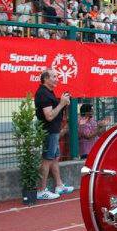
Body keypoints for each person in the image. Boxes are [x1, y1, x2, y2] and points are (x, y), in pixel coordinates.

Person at [34, 69, 74, 201]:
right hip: (49, 131)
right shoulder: (42, 94)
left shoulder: (49, 92)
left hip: (54, 131)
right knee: (47, 159)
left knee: (55, 158)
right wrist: (61, 103)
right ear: (45, 79)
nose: (57, 79)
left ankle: (59, 185)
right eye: (54, 77)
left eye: (57, 76)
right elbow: (49, 116)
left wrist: (63, 103)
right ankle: (41, 190)